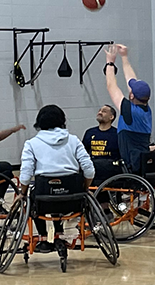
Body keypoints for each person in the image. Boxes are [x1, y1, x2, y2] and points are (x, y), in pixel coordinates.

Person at [19, 105, 95, 252]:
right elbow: (89, 170)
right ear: (62, 121)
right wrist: (85, 189)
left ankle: (43, 236)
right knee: (61, 192)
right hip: (73, 198)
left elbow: (26, 174)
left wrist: (22, 194)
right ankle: (59, 234)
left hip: (44, 198)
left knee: (33, 199)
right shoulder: (73, 140)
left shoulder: (31, 144)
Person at [104, 44, 155, 172]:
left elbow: (111, 86)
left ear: (131, 95)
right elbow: (131, 79)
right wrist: (124, 57)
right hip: (143, 157)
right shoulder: (146, 109)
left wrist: (110, 63)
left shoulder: (129, 110)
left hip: (131, 160)